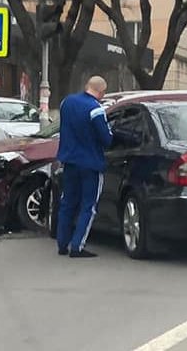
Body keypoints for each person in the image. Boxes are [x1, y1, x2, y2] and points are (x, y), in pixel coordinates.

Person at [56, 76, 113, 258]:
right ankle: (77, 246)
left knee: (67, 203)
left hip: (69, 161)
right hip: (90, 164)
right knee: (88, 206)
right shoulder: (96, 109)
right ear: (101, 92)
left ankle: (62, 244)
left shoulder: (67, 102)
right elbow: (106, 139)